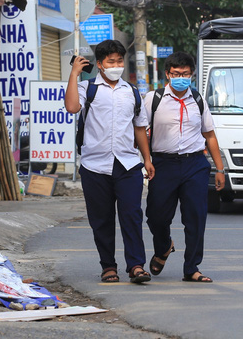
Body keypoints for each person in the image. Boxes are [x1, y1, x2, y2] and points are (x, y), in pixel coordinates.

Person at [64, 39, 155, 284]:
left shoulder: (132, 92)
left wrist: (147, 159)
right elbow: (72, 107)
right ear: (101, 64)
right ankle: (108, 267)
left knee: (132, 216)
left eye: (119, 61)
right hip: (95, 165)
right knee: (101, 219)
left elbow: (140, 128)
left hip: (127, 164)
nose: (116, 65)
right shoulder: (87, 88)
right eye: (110, 61)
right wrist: (74, 73)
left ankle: (136, 265)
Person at [143, 52, 226, 283]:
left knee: (196, 217)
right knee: (156, 216)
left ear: (192, 74)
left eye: (186, 74)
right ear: (167, 74)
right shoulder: (153, 99)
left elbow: (209, 135)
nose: (181, 77)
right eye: (176, 74)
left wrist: (219, 169)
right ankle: (163, 247)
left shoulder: (198, 100)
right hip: (163, 164)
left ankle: (192, 268)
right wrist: (146, 159)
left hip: (195, 164)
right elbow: (139, 130)